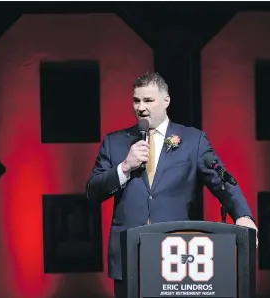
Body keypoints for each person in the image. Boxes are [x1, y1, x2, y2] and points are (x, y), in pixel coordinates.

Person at [86, 72, 258, 297]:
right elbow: (92, 191)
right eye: (137, 100)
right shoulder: (115, 142)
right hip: (129, 256)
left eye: (148, 100)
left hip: (176, 255)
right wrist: (124, 167)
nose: (141, 107)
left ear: (166, 101)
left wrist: (243, 215)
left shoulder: (192, 140)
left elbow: (221, 179)